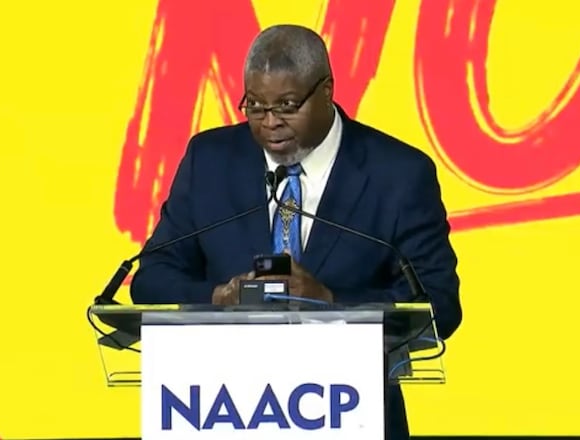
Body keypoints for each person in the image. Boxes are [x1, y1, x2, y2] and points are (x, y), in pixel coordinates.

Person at [130, 24, 462, 440]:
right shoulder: (209, 160)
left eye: (287, 106)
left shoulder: (398, 174)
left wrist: (333, 304)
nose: (269, 123)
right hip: (221, 412)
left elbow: (440, 305)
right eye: (255, 106)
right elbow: (151, 279)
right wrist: (217, 298)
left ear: (326, 91)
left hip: (351, 419)